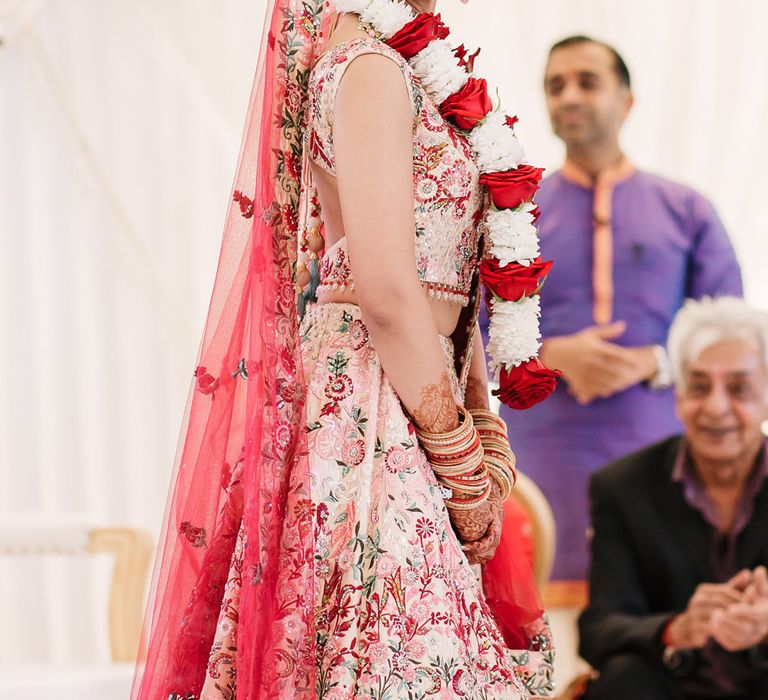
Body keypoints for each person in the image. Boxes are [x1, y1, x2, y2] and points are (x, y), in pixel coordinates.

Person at [131, 0, 554, 698]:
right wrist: (456, 454)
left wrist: (477, 411)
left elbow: (444, 273)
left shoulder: (406, 64)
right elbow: (387, 290)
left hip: (420, 387)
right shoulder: (368, 68)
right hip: (371, 409)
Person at [492, 35, 743, 581]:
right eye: (555, 86)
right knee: (536, 613)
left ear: (627, 101)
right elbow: (470, 332)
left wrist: (651, 361)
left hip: (656, 447)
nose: (568, 97)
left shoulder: (686, 209)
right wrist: (552, 354)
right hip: (543, 451)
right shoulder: (516, 213)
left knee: (657, 616)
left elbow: (730, 333)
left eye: (587, 81)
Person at [579, 296, 768, 700]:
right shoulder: (621, 487)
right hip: (672, 687)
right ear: (679, 396)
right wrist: (675, 629)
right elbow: (599, 630)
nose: (716, 407)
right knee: (623, 677)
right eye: (699, 386)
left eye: (739, 389)